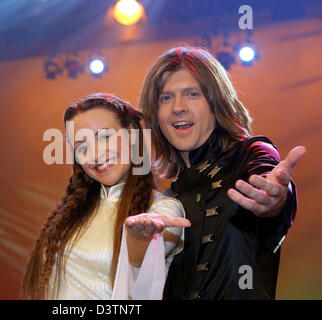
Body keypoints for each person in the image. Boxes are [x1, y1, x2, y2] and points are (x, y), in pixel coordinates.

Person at [139, 46, 306, 300]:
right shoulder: (165, 199)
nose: (177, 107)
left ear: (216, 102)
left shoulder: (251, 154)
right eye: (165, 98)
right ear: (156, 115)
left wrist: (274, 201)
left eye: (192, 94)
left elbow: (267, 182)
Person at [21, 93, 191, 300]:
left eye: (104, 137)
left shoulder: (162, 211)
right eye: (82, 147)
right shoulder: (71, 212)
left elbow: (141, 267)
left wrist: (139, 237)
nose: (95, 155)